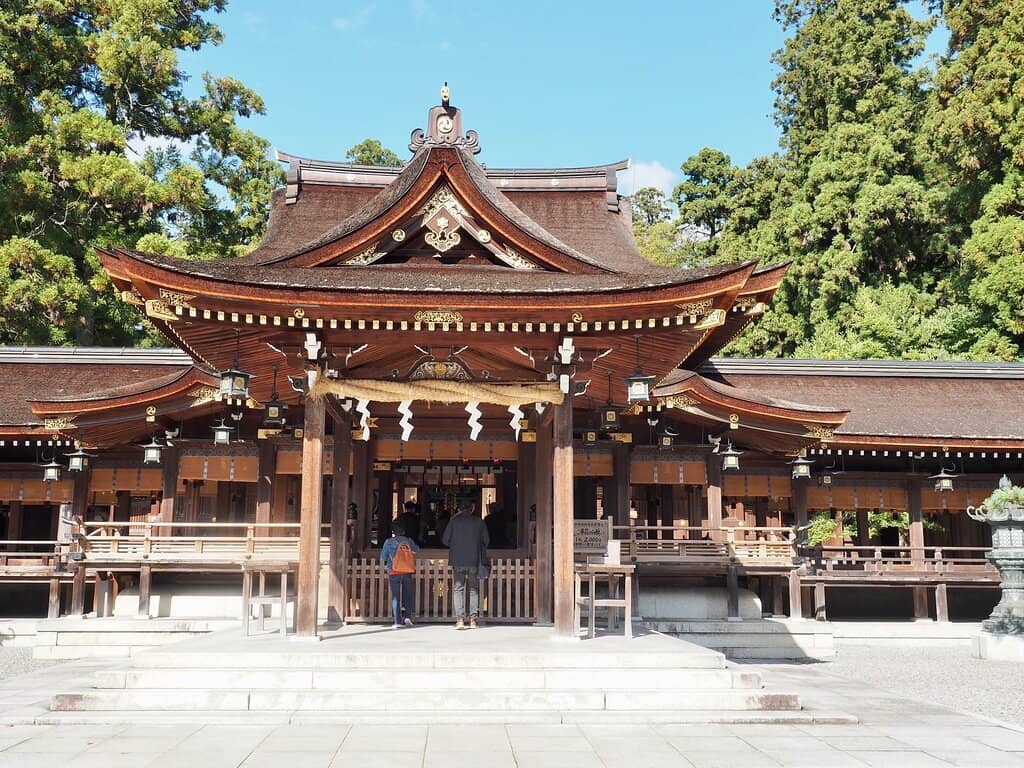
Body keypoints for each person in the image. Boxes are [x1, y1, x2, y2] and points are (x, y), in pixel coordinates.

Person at [442, 500, 489, 629]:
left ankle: (460, 620)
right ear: (472, 508)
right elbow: (486, 540)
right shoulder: (479, 521)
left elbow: (445, 540)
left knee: (458, 589)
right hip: (474, 560)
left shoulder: (453, 521)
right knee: (474, 589)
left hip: (457, 560)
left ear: (459, 509)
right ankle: (473, 620)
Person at [380, 520, 419, 629]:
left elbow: (383, 557)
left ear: (393, 531)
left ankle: (397, 621)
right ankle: (407, 617)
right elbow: (416, 550)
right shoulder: (409, 541)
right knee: (408, 595)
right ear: (404, 531)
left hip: (394, 571)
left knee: (396, 597)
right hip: (407, 571)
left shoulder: (388, 542)